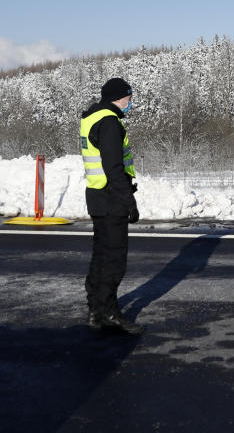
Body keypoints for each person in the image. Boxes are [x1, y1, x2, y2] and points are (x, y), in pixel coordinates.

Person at [80, 77, 143, 334]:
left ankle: (96, 309)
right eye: (129, 97)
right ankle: (109, 312)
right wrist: (130, 201)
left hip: (97, 197)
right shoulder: (109, 123)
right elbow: (114, 168)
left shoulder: (92, 118)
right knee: (114, 260)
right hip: (111, 201)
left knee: (100, 257)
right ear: (119, 97)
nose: (130, 102)